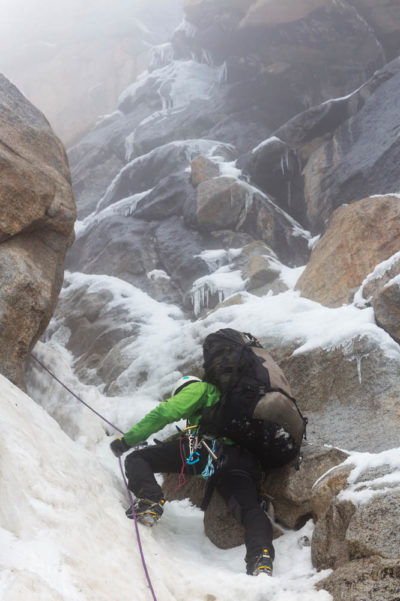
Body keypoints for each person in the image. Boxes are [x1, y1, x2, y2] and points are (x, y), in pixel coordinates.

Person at [110, 375, 298, 576]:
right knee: (250, 509)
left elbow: (166, 412)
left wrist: (126, 441)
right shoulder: (234, 405)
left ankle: (149, 500)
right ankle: (261, 559)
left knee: (137, 459)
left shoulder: (199, 389)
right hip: (245, 462)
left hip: (209, 451)